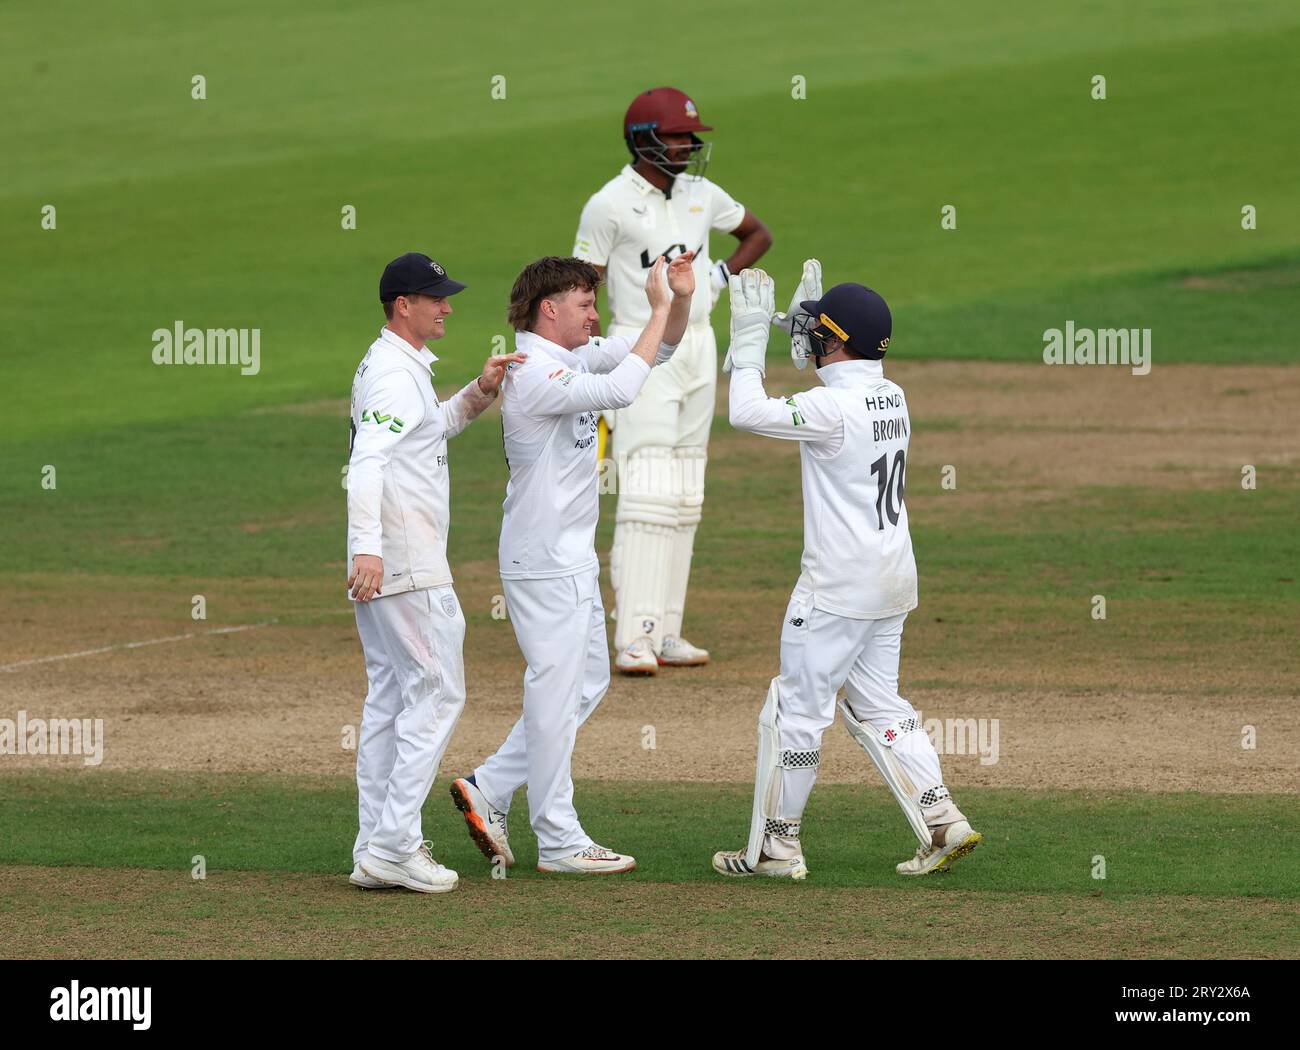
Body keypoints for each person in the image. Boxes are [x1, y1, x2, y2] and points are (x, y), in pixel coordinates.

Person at [710, 262, 982, 879]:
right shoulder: (892, 395)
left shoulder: (832, 407)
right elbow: (828, 393)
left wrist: (748, 338)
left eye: (818, 333)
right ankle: (942, 819)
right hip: (892, 577)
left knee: (796, 712)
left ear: (835, 340)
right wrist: (811, 342)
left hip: (835, 588)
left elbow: (746, 412)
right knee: (880, 705)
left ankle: (777, 847)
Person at [450, 253, 695, 873]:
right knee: (555, 693)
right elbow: (622, 389)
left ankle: (490, 785)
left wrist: (679, 300)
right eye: (585, 304)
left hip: (570, 557)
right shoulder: (533, 370)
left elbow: (660, 351)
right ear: (548, 309)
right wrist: (657, 307)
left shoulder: (573, 356)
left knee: (585, 684)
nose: (595, 314)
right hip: (543, 560)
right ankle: (558, 839)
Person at [573, 86, 772, 675]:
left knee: (686, 492)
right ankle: (633, 637)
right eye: (677, 136)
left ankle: (667, 631)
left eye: (691, 136)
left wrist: (717, 276)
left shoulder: (702, 195)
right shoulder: (608, 204)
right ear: (642, 140)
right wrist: (589, 356)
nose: (688, 145)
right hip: (640, 344)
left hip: (699, 345)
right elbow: (582, 285)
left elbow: (758, 234)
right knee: (647, 489)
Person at [346, 252, 524, 894]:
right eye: (436, 297)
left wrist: (477, 393)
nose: (447, 306)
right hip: (405, 563)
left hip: (391, 561)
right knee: (438, 693)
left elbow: (426, 432)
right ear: (404, 305)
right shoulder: (395, 375)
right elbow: (368, 462)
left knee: (392, 700)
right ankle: (396, 844)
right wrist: (368, 549)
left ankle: (375, 846)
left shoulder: (395, 366)